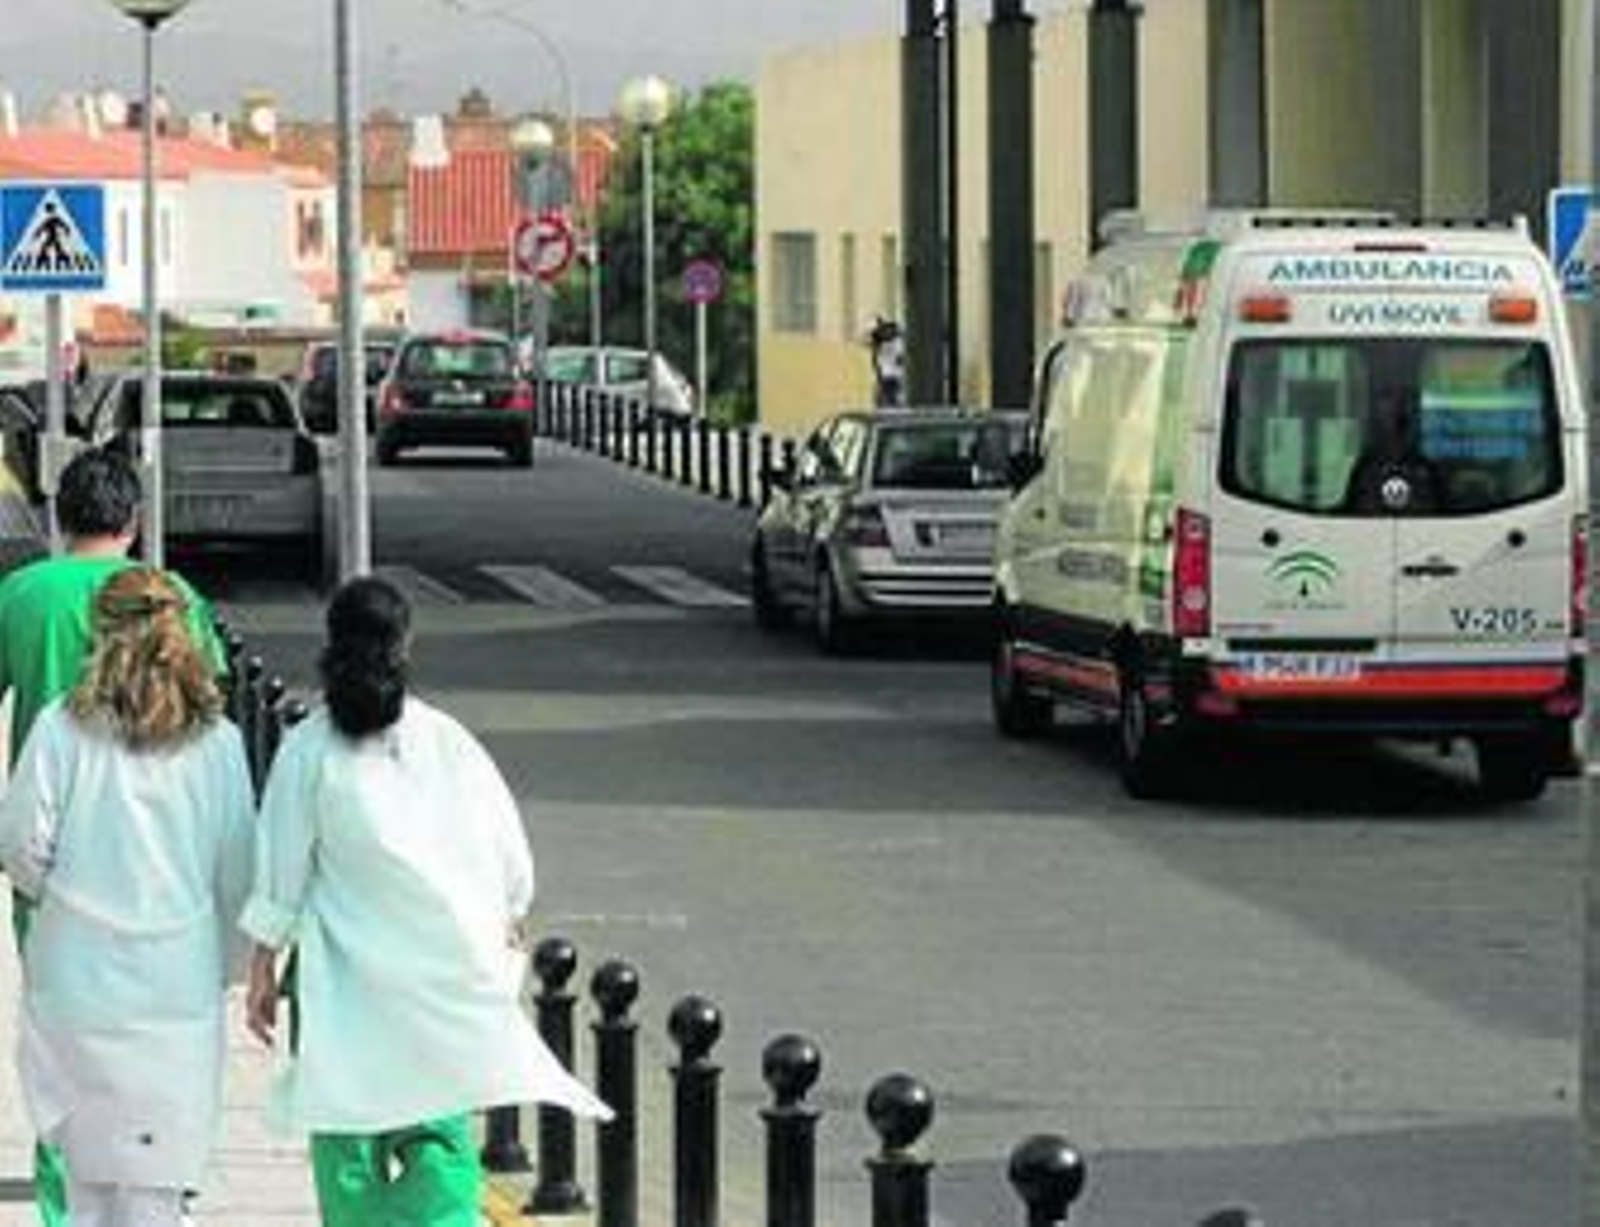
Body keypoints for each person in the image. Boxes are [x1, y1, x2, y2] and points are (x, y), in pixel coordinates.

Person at [241, 577, 610, 1227]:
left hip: (343, 989)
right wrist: (508, 916)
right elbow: (508, 857)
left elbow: (281, 868)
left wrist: (263, 963)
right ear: (404, 647)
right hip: (440, 980)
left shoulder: (309, 749)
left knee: (346, 1143)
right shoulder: (449, 741)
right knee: (438, 1134)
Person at [0, 446, 226, 1227]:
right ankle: (160, 1178)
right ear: (133, 519)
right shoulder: (173, 597)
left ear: (59, 516)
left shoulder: (22, 594)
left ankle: (68, 1199)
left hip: (57, 858)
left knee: (65, 1042)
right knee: (159, 1044)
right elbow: (208, 709)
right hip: (162, 862)